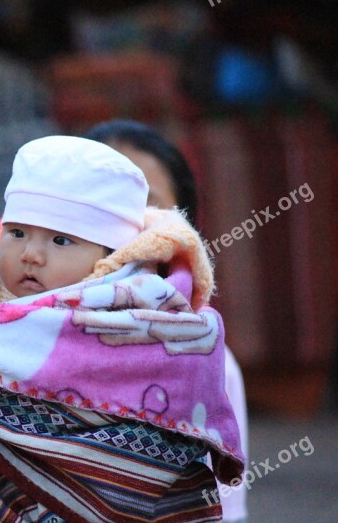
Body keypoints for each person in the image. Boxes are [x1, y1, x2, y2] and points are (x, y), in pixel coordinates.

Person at [0, 136, 244, 521]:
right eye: (17, 233)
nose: (31, 253)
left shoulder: (145, 318)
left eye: (61, 240)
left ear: (111, 258)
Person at [85, 119, 249, 523]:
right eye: (99, 205)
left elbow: (222, 511)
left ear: (184, 236)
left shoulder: (206, 362)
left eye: (147, 206)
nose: (121, 229)